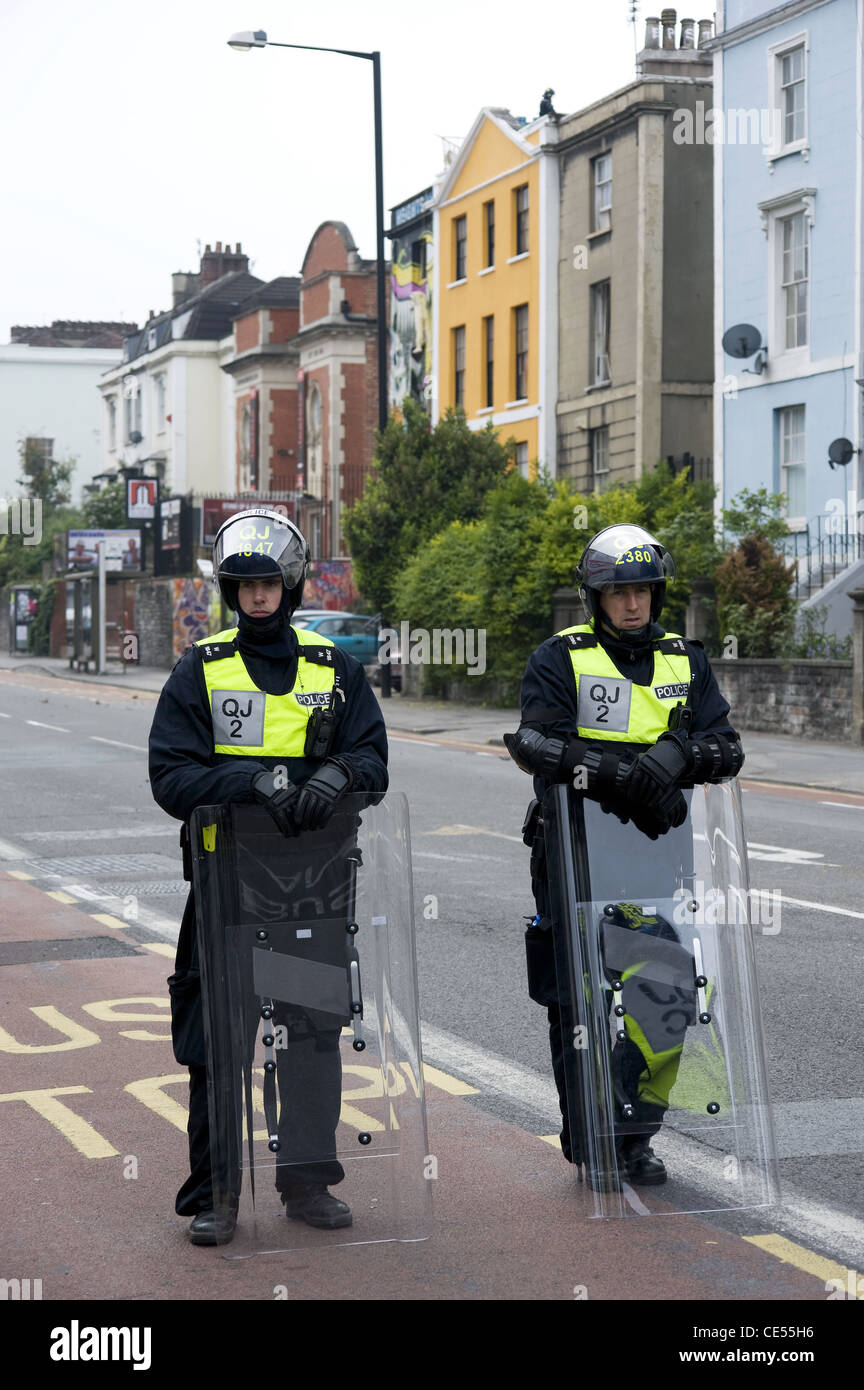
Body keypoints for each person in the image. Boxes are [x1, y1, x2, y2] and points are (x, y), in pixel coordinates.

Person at [148, 508, 388, 1245]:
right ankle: (216, 1194)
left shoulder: (334, 668)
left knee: (311, 1038)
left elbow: (376, 762)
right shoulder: (201, 668)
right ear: (229, 590)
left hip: (314, 890)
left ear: (290, 584)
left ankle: (309, 1183)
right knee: (218, 1045)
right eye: (244, 584)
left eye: (269, 582)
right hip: (227, 888)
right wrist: (248, 783)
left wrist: (338, 775)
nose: (259, 596)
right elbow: (169, 775)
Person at [504, 524, 744, 1190]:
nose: (631, 605)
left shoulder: (685, 660)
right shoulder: (561, 658)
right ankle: (591, 1142)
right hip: (574, 855)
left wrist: (677, 756)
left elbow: (726, 747)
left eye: (641, 591)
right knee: (577, 1005)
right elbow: (536, 743)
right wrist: (618, 775)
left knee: (662, 1000)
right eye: (618, 593)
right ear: (596, 598)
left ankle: (633, 1134)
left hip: (656, 860)